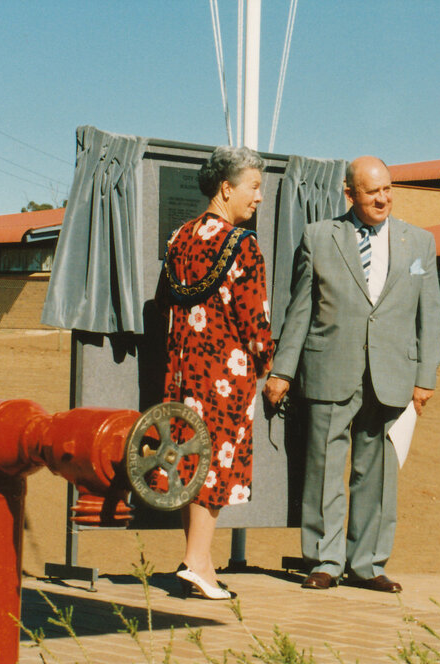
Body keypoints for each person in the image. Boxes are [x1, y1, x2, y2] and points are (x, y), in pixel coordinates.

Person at [263, 155, 440, 592]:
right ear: (349, 193)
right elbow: (299, 310)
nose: (383, 199)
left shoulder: (420, 243)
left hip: (392, 375)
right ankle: (324, 561)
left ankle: (368, 565)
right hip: (329, 368)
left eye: (387, 189)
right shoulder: (319, 236)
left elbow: (431, 314)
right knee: (323, 469)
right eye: (372, 191)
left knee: (377, 475)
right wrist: (282, 369)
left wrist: (426, 377)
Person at [154, 145, 274, 600]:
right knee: (214, 464)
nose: (259, 197)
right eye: (253, 187)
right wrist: (266, 363)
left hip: (181, 370)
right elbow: (255, 321)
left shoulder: (180, 237)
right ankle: (194, 562)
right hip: (225, 372)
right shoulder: (243, 244)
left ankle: (200, 562)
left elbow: (164, 303)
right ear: (226, 188)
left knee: (190, 460)